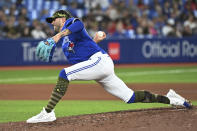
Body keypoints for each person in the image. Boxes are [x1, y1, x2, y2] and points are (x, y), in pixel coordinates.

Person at [26, 10, 192, 123]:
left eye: (53, 19)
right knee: (130, 97)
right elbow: (85, 47)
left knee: (64, 74)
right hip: (98, 68)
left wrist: (57, 36)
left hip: (100, 62)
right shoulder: (65, 41)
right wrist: (95, 40)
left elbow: (77, 24)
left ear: (62, 19)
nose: (51, 22)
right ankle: (172, 99)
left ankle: (47, 113)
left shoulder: (71, 24)